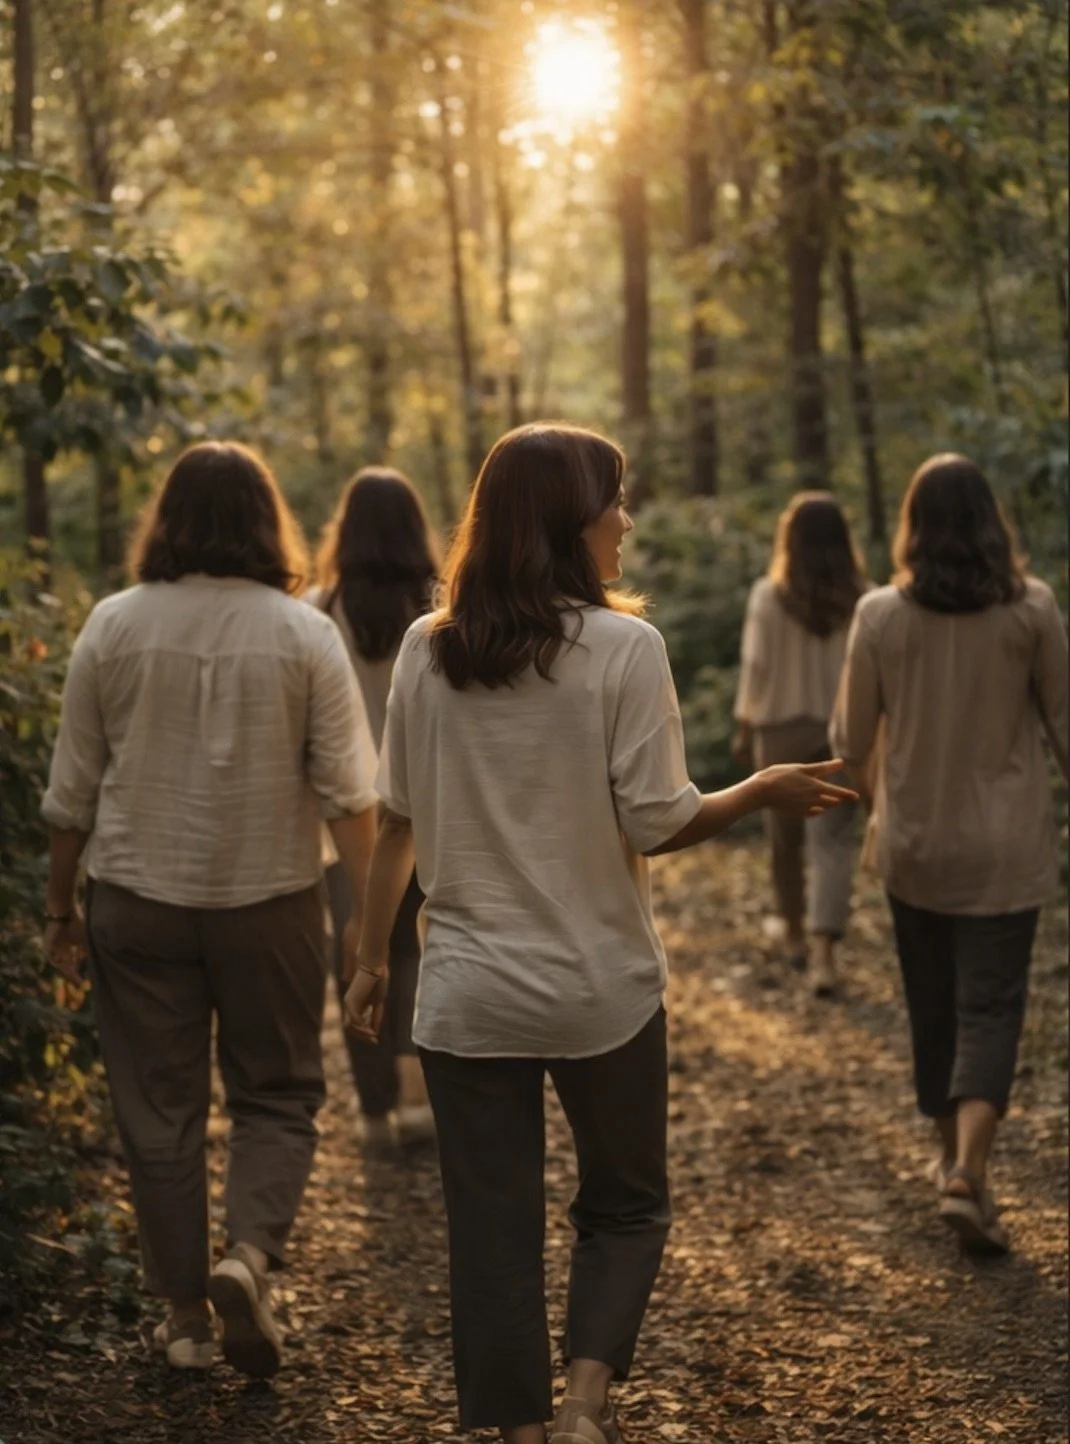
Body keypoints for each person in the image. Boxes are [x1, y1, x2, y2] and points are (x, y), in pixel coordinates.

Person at [344, 424, 856, 1444]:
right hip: (600, 990)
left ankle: (522, 1433)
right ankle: (582, 1406)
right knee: (623, 1206)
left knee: (489, 1232)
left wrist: (366, 960)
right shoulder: (625, 649)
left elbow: (395, 820)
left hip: (464, 992)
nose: (624, 521)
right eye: (613, 502)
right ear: (568, 520)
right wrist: (755, 787)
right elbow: (658, 822)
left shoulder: (425, 645)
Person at [41, 442, 378, 1375]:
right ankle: (248, 1254)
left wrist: (59, 909)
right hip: (269, 899)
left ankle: (187, 1317)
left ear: (168, 520)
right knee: (278, 1092)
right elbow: (351, 794)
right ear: (268, 521)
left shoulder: (112, 625)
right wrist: (363, 922)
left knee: (159, 1105)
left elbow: (73, 790)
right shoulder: (305, 633)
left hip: (136, 900)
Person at [831, 453, 1068, 1254]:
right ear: (990, 522)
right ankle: (969, 1169)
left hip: (917, 845)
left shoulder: (880, 616)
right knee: (992, 1008)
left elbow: (849, 740)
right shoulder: (1031, 609)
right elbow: (1067, 726)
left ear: (915, 526)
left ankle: (954, 1169)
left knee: (933, 1008)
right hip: (1007, 848)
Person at [309, 466, 440, 1150]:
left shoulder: (316, 611)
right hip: (428, 803)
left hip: (346, 814)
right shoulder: (443, 609)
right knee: (416, 943)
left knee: (358, 947)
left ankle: (372, 1111)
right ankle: (418, 1091)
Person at [731, 492, 867, 995]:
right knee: (832, 841)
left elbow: (755, 668)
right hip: (840, 730)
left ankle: (792, 936)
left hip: (781, 728)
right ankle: (826, 956)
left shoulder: (770, 595)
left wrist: (744, 728)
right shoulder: (865, 597)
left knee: (784, 841)